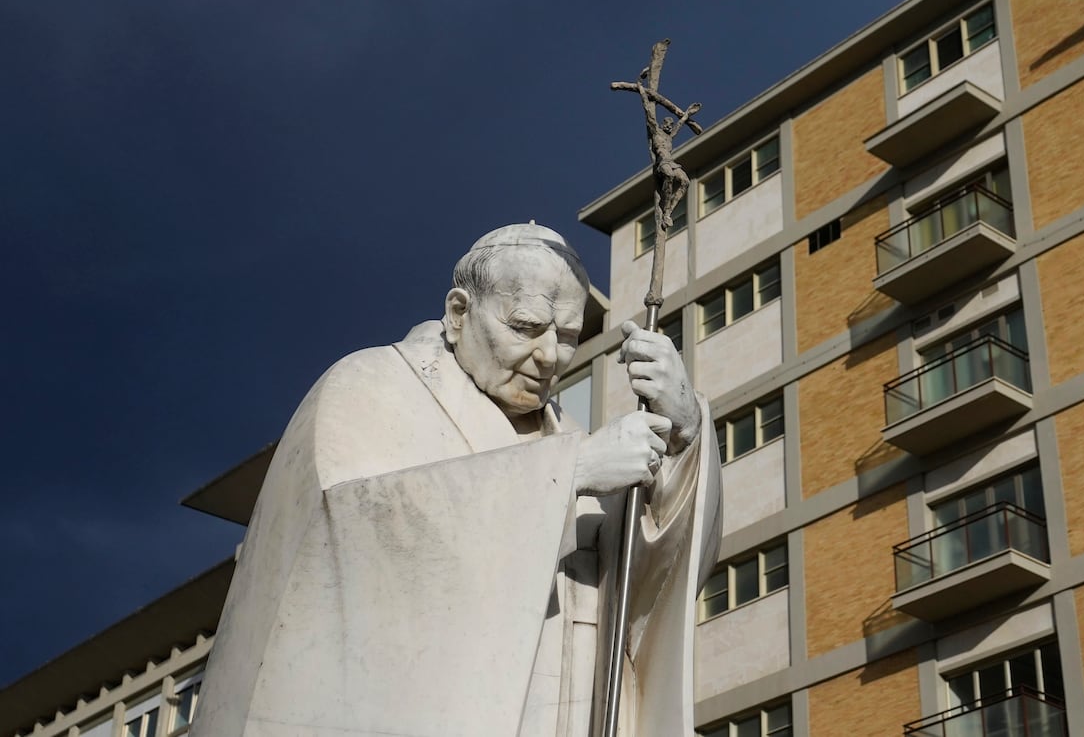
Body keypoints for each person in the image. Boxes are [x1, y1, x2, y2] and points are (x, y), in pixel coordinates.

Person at [194, 222, 722, 737]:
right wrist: (571, 475)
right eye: (525, 327)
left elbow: (646, 593)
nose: (548, 358)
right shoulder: (372, 387)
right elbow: (343, 542)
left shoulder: (570, 435)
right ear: (458, 313)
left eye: (566, 337)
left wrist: (682, 436)